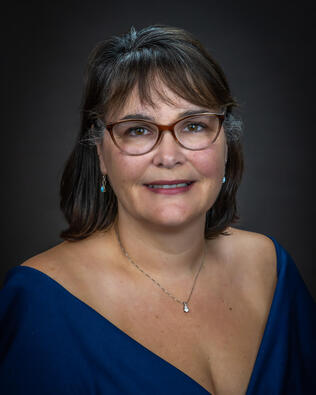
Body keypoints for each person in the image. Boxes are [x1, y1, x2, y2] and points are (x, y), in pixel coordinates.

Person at [0, 25, 315, 395]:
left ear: (226, 144)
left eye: (194, 125)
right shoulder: (38, 302)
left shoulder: (271, 269)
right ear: (100, 153)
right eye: (138, 130)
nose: (168, 156)